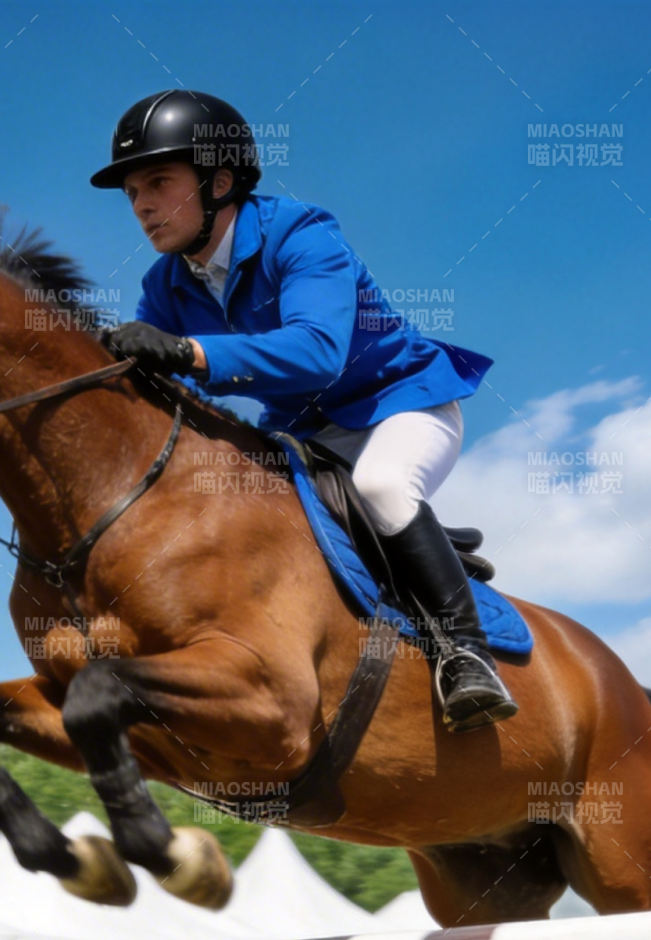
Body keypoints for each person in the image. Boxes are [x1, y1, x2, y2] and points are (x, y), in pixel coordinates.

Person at [92, 90, 517, 732]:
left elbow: (317, 352)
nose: (142, 206)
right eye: (131, 193)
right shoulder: (164, 283)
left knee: (381, 484)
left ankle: (465, 653)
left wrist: (185, 350)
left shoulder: (301, 233)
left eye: (158, 182)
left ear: (219, 182)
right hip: (302, 433)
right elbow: (158, 389)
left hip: (399, 405)